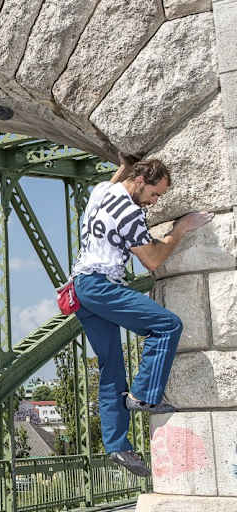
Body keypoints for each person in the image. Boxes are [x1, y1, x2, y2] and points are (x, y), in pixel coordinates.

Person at [71, 155, 213, 477]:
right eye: (154, 193)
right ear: (139, 181)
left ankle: (117, 446)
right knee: (167, 326)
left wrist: (125, 164)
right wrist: (180, 229)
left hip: (80, 288)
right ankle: (144, 395)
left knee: (111, 367)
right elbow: (152, 260)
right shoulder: (130, 213)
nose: (155, 201)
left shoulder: (102, 191)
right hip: (102, 286)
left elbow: (116, 179)